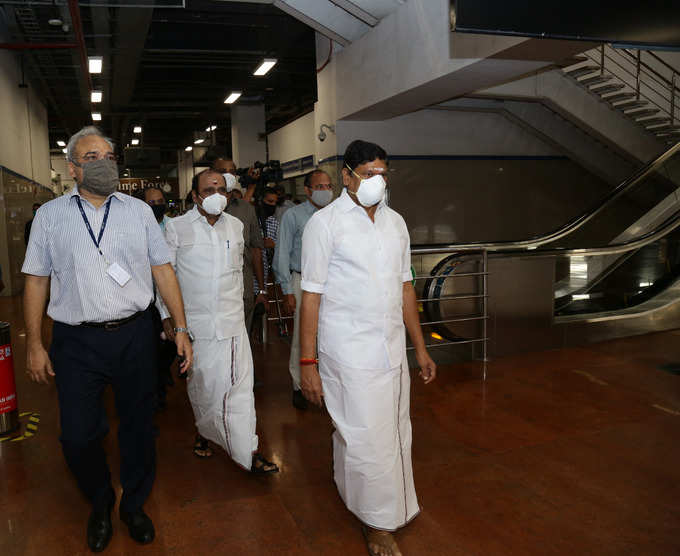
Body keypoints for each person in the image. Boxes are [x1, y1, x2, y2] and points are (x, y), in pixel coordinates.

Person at [22, 126, 192, 553]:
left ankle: (133, 505)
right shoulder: (50, 216)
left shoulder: (137, 212)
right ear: (73, 167)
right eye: (92, 156)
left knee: (139, 427)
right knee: (78, 435)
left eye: (109, 156)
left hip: (136, 335)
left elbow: (163, 270)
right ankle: (100, 502)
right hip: (76, 341)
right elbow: (36, 280)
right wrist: (35, 344)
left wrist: (181, 326)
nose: (104, 163)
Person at [299, 140, 437, 556]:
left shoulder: (395, 222)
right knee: (367, 438)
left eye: (383, 174)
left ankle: (371, 495)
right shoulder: (325, 225)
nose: (377, 181)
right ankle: (376, 523)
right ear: (347, 176)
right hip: (349, 351)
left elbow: (405, 286)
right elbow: (311, 296)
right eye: (368, 174)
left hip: (391, 350)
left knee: (393, 430)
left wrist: (421, 347)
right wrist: (308, 362)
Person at [157, 169, 278, 473]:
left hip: (233, 320)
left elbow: (239, 271)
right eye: (209, 190)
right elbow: (163, 276)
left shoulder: (236, 226)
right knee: (204, 387)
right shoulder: (176, 228)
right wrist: (167, 318)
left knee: (240, 388)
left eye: (222, 190)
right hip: (195, 325)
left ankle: (247, 451)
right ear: (195, 196)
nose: (216, 196)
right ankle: (204, 433)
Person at [272, 169, 333, 410]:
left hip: (332, 282)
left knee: (328, 334)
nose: (325, 191)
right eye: (320, 187)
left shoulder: (336, 215)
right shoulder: (293, 216)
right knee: (302, 334)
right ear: (307, 190)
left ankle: (327, 384)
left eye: (329, 186)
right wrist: (287, 289)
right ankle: (299, 385)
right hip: (302, 281)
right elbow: (282, 253)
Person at [212, 157, 268, 332]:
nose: (228, 175)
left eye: (232, 172)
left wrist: (261, 290)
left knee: (243, 346)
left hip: (243, 291)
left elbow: (256, 251)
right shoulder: (202, 208)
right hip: (212, 293)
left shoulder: (246, 209)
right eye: (223, 171)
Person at [134, 186, 177, 411]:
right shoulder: (135, 228)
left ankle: (163, 371)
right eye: (152, 202)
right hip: (146, 300)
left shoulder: (174, 227)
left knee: (171, 344)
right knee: (150, 349)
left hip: (171, 296)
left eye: (160, 201)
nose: (157, 205)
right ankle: (157, 392)